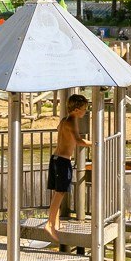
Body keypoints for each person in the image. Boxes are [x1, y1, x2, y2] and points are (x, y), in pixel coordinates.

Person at [45, 94, 91, 243]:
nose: (85, 112)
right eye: (84, 109)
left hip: (56, 159)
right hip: (63, 161)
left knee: (57, 193)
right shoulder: (71, 121)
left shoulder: (64, 120)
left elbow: (62, 131)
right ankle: (50, 224)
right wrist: (96, 143)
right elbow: (78, 141)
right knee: (60, 192)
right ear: (77, 110)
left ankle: (55, 221)